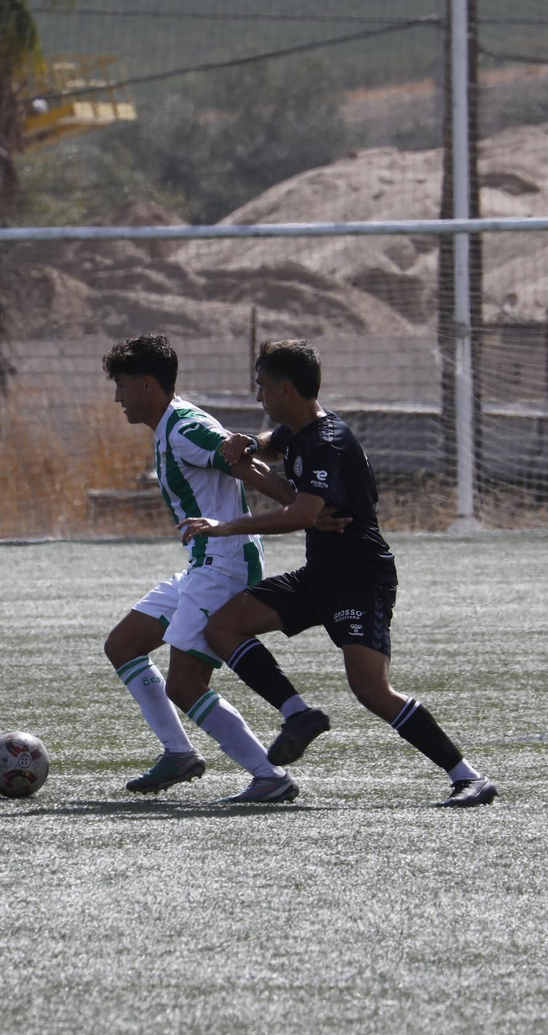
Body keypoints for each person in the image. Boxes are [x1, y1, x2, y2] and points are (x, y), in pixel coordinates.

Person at [184, 339, 498, 808]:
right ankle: (298, 714)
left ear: (286, 390)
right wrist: (248, 445)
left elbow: (301, 512)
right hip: (320, 575)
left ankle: (467, 776)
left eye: (261, 387)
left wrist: (225, 526)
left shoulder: (329, 442)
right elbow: (273, 451)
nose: (257, 397)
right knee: (225, 626)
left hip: (359, 577)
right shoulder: (297, 431)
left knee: (371, 690)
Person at [101, 334, 339, 802]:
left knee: (185, 683)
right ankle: (178, 754)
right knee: (124, 644)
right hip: (203, 563)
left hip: (224, 564)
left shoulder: (185, 427)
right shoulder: (172, 424)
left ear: (149, 384)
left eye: (123, 386)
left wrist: (304, 506)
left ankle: (269, 776)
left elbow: (245, 464)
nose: (117, 398)